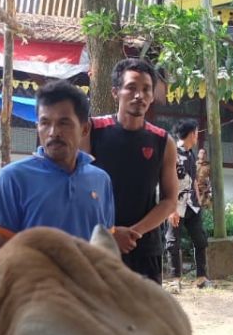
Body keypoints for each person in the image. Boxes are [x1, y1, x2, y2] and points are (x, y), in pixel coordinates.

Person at [0, 81, 115, 255]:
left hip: (85, 282)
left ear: (85, 129)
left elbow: (105, 249)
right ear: (37, 127)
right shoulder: (12, 179)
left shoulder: (101, 180)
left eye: (64, 123)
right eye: (45, 123)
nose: (54, 132)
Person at [87, 58, 178, 285]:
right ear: (115, 92)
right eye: (131, 88)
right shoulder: (92, 131)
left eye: (146, 89)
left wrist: (133, 233)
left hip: (144, 248)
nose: (139, 95)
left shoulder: (163, 142)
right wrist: (110, 233)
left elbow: (169, 200)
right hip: (96, 244)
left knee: (145, 318)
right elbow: (76, 190)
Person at [165, 119, 209, 288]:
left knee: (200, 239)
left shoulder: (191, 154)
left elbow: (193, 180)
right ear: (192, 134)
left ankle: (201, 278)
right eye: (197, 133)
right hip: (175, 205)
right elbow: (167, 181)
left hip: (192, 204)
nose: (197, 136)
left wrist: (198, 200)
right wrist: (171, 209)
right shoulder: (172, 152)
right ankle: (175, 279)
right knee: (173, 241)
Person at [196, 147, 213, 217]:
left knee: (205, 210)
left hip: (204, 191)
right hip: (194, 190)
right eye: (201, 153)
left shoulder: (209, 166)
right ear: (198, 154)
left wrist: (209, 188)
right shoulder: (194, 164)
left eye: (204, 153)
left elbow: (212, 179)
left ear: (206, 155)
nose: (202, 154)